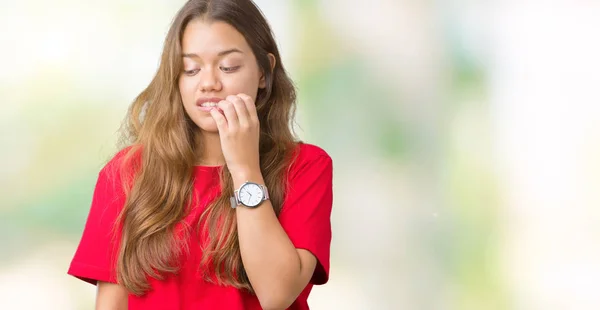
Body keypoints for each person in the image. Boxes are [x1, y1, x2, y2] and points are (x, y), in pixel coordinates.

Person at [67, 1, 333, 309]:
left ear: (264, 71)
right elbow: (111, 303)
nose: (208, 83)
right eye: (190, 69)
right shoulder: (127, 172)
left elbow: (276, 294)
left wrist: (245, 169)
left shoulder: (305, 166)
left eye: (228, 67)